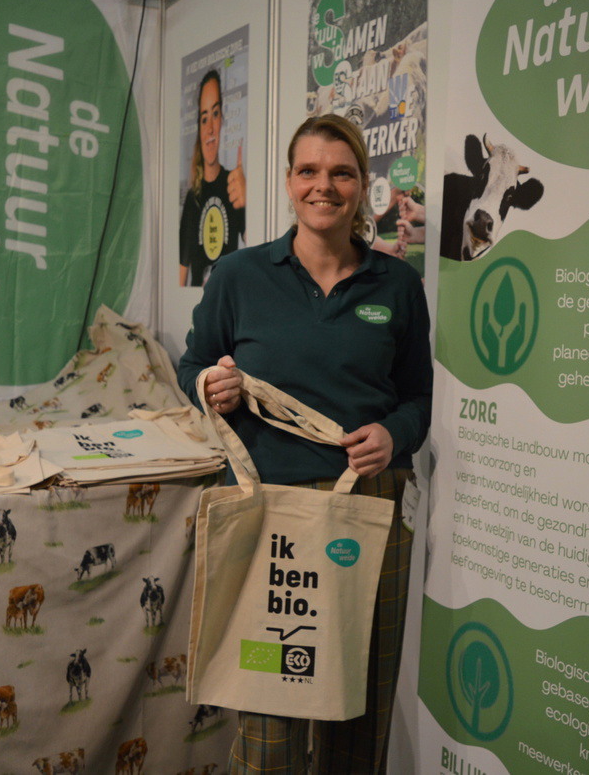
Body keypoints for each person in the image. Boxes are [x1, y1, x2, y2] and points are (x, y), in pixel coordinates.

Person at [177, 114, 432, 774]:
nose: (325, 185)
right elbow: (192, 364)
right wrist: (210, 384)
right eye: (309, 171)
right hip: (271, 514)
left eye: (342, 173)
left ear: (362, 185)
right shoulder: (238, 275)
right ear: (290, 182)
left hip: (368, 512)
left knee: (358, 709)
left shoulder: (398, 285)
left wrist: (393, 433)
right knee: (270, 719)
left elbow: (417, 400)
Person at [180, 69, 247, 286]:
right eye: (204, 118)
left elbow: (258, 250)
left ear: (222, 121)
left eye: (215, 114)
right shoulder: (192, 198)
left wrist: (247, 203)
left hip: (228, 299)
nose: (210, 128)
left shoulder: (235, 186)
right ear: (198, 129)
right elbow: (181, 275)